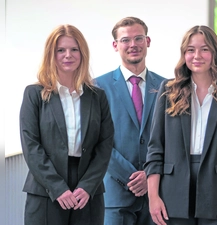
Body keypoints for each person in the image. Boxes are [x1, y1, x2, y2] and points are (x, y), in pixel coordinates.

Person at [144, 25, 217, 225]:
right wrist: (153, 197)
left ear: (215, 53)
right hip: (172, 193)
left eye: (204, 49)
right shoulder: (168, 92)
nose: (197, 55)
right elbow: (155, 149)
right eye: (190, 50)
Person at [19, 24, 114, 225]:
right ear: (50, 55)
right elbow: (31, 146)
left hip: (87, 191)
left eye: (74, 49)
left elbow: (105, 145)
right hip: (46, 188)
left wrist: (88, 186)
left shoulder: (98, 97)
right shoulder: (34, 94)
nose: (67, 55)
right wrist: (57, 187)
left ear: (82, 53)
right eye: (60, 50)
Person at [95, 16, 165, 225]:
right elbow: (96, 140)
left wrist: (150, 175)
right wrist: (131, 177)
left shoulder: (167, 87)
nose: (133, 45)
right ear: (115, 45)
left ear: (148, 41)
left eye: (138, 38)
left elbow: (172, 138)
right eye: (125, 40)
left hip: (158, 195)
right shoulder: (98, 87)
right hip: (114, 196)